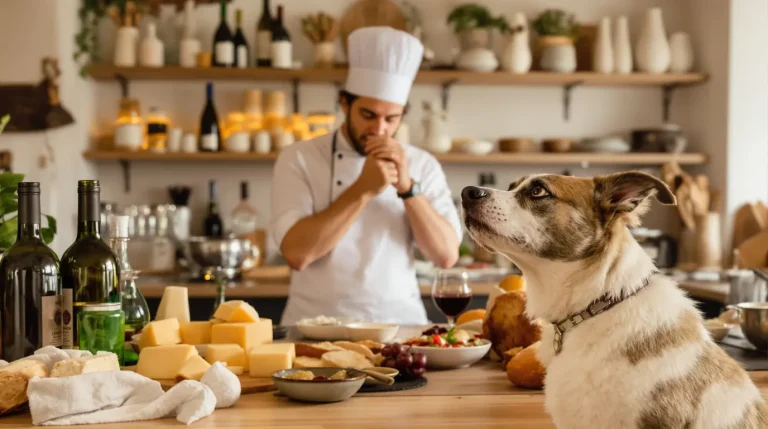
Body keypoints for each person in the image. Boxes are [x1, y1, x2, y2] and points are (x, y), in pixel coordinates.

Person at [270, 26, 462, 325]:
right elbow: (297, 254)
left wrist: (408, 189)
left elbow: (446, 256)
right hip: (313, 327)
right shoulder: (299, 158)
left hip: (401, 327)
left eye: (391, 119)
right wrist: (362, 190)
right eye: (368, 115)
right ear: (345, 104)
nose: (379, 130)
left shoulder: (422, 163)